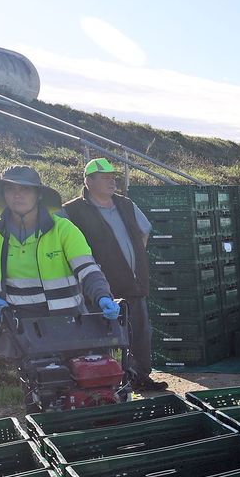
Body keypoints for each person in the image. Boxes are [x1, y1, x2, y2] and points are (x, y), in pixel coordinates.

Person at [0, 165, 118, 356]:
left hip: (67, 325)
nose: (17, 195)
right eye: (10, 189)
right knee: (35, 383)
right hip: (17, 328)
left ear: (39, 195)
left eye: (25, 189)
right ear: (3, 195)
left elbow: (88, 270)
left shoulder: (63, 230)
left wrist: (102, 296)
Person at [61, 158, 166, 391]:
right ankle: (103, 382)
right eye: (105, 177)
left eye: (113, 177)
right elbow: (62, 245)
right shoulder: (71, 211)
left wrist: (131, 261)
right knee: (100, 337)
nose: (111, 181)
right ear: (88, 181)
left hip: (133, 283)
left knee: (140, 332)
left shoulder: (125, 204)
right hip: (96, 288)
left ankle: (140, 378)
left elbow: (144, 232)